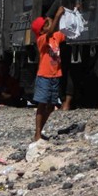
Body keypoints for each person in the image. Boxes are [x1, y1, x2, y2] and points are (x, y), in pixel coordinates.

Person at [31, 12, 65, 141]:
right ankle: (37, 133)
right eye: (45, 24)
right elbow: (50, 32)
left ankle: (40, 130)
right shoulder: (41, 39)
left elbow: (65, 31)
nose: (48, 23)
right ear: (41, 30)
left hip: (55, 75)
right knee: (42, 104)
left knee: (51, 106)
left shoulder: (56, 37)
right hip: (44, 76)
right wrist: (57, 16)